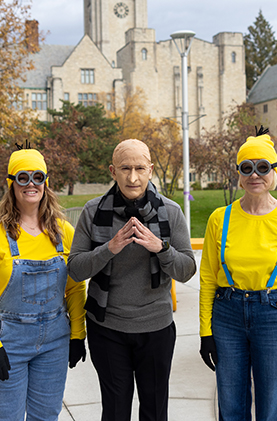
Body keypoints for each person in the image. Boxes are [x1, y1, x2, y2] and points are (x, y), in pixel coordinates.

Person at [68, 139, 196, 421]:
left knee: (154, 410)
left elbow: (186, 270)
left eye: (140, 168)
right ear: (113, 171)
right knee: (115, 411)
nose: (133, 177)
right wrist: (109, 248)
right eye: (125, 168)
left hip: (156, 328)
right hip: (107, 328)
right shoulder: (93, 211)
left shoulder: (170, 212)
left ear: (151, 170)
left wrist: (161, 248)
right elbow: (76, 269)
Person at [198, 127, 277, 421]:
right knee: (231, 403)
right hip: (227, 316)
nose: (254, 175)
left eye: (263, 167)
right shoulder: (219, 219)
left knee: (271, 407)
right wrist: (205, 331)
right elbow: (208, 280)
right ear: (238, 173)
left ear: (274, 172)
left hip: (274, 316)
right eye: (247, 167)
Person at [0, 148, 87, 421]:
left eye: (38, 176)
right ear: (12, 184)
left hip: (55, 342)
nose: (31, 184)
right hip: (7, 342)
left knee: (46, 416)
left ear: (46, 182)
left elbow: (75, 288)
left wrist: (78, 334)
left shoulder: (63, 231)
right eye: (23, 177)